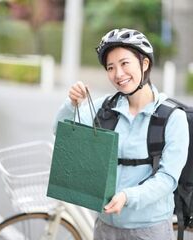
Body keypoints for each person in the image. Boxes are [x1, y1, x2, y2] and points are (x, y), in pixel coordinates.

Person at [53, 28, 189, 240]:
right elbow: (63, 135)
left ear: (144, 64)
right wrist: (71, 105)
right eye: (110, 67)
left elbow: (167, 178)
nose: (118, 74)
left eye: (125, 63)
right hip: (105, 226)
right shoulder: (104, 108)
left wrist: (128, 196)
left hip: (149, 229)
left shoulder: (172, 118)